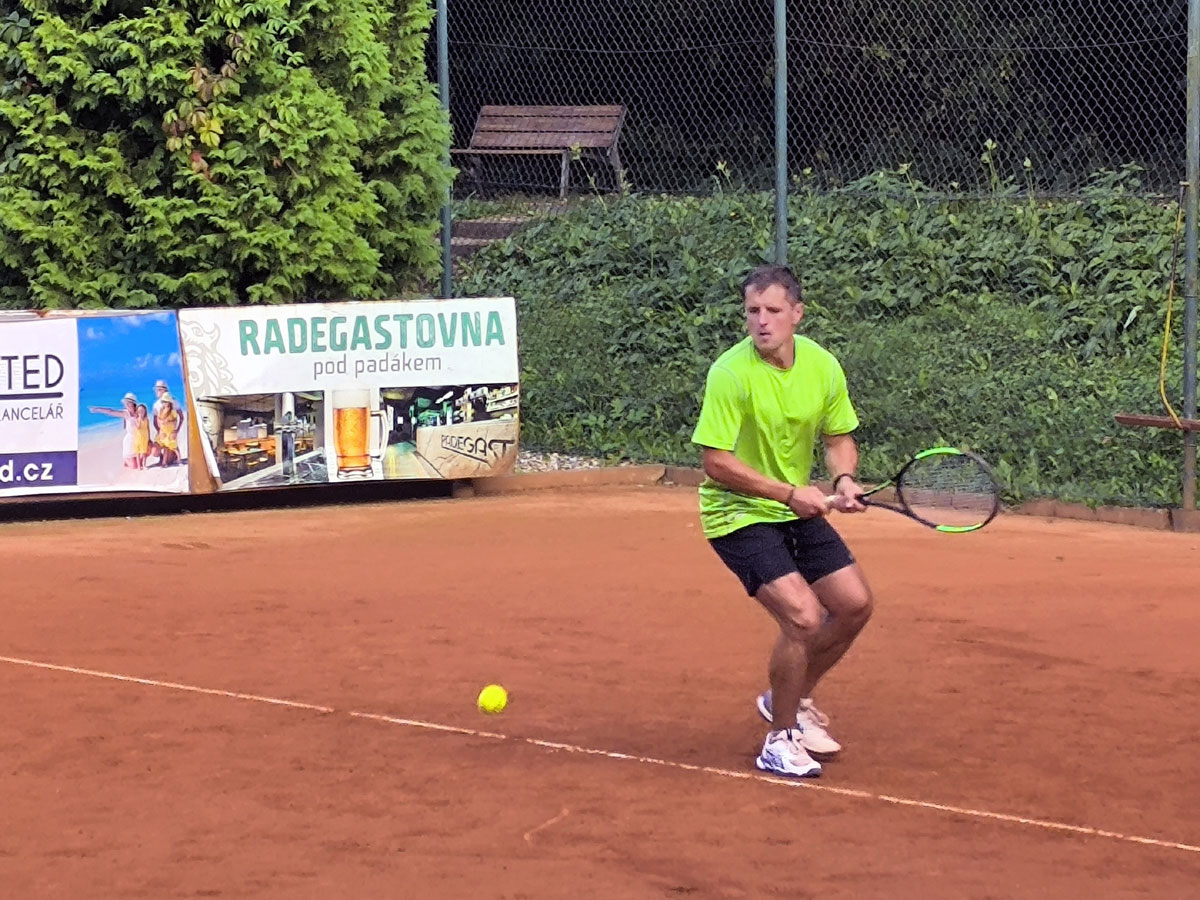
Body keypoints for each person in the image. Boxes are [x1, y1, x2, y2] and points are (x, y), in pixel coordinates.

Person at [691, 265, 874, 779]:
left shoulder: (822, 365)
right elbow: (716, 462)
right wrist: (789, 493)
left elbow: (839, 438)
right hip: (736, 512)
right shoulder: (730, 373)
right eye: (753, 311)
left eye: (773, 310)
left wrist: (843, 479)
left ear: (797, 313)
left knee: (854, 605)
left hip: (794, 507)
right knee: (804, 618)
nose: (762, 321)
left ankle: (789, 697)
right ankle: (781, 738)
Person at [88, 392, 141, 469]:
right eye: (126, 403)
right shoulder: (125, 413)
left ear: (133, 403)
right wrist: (97, 409)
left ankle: (130, 460)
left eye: (128, 402)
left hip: (139, 440)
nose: (127, 404)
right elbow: (110, 411)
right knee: (134, 466)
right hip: (130, 442)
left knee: (141, 461)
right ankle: (126, 460)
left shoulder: (139, 412)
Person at [152, 393, 183, 467]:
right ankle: (163, 460)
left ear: (169, 402)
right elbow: (158, 420)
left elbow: (175, 421)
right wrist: (160, 430)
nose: (165, 403)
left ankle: (177, 460)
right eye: (163, 401)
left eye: (166, 401)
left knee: (173, 447)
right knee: (156, 449)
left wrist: (176, 430)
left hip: (170, 432)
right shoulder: (161, 410)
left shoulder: (173, 411)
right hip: (163, 432)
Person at [132, 403, 152, 469]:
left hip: (145, 438)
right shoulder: (136, 420)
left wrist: (149, 438)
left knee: (144, 452)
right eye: (139, 411)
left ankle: (144, 465)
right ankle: (138, 466)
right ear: (137, 412)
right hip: (138, 439)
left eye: (142, 411)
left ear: (145, 411)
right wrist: (140, 419)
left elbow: (148, 429)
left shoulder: (146, 419)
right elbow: (138, 427)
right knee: (138, 453)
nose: (141, 412)